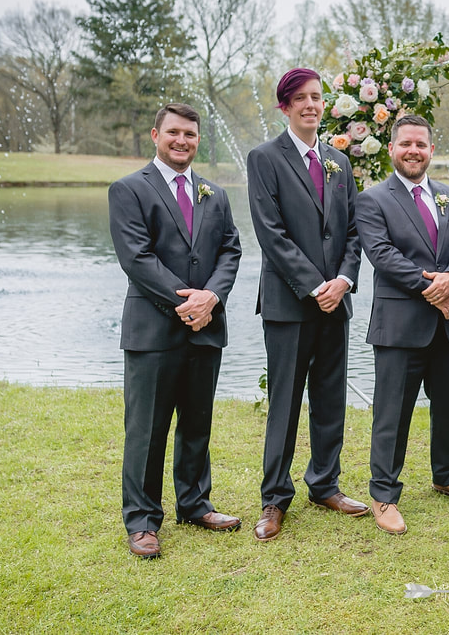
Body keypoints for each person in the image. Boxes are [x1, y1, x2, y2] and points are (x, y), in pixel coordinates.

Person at [108, 103, 243, 558]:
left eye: (190, 134)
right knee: (146, 429)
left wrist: (213, 297)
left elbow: (231, 250)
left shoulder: (214, 194)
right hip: (154, 329)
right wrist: (189, 302)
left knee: (197, 423)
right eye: (173, 133)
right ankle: (143, 521)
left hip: (207, 325)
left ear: (198, 139)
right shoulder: (129, 190)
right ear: (155, 135)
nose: (182, 141)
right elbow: (137, 258)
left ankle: (196, 503)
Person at [246, 68, 367, 542]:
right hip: (290, 303)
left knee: (330, 397)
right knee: (285, 402)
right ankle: (275, 498)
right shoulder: (264, 159)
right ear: (285, 107)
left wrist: (343, 280)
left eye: (317, 97)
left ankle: (325, 484)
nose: (311, 105)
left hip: (336, 302)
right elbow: (270, 233)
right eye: (301, 98)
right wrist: (315, 285)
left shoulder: (339, 161)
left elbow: (354, 232)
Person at [355, 114, 449, 535]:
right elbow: (382, 255)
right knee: (392, 412)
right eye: (405, 144)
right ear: (391, 149)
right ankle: (384, 493)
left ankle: (448, 474)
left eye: (421, 145)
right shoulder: (372, 200)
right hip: (400, 323)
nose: (413, 151)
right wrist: (436, 290)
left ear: (431, 150)